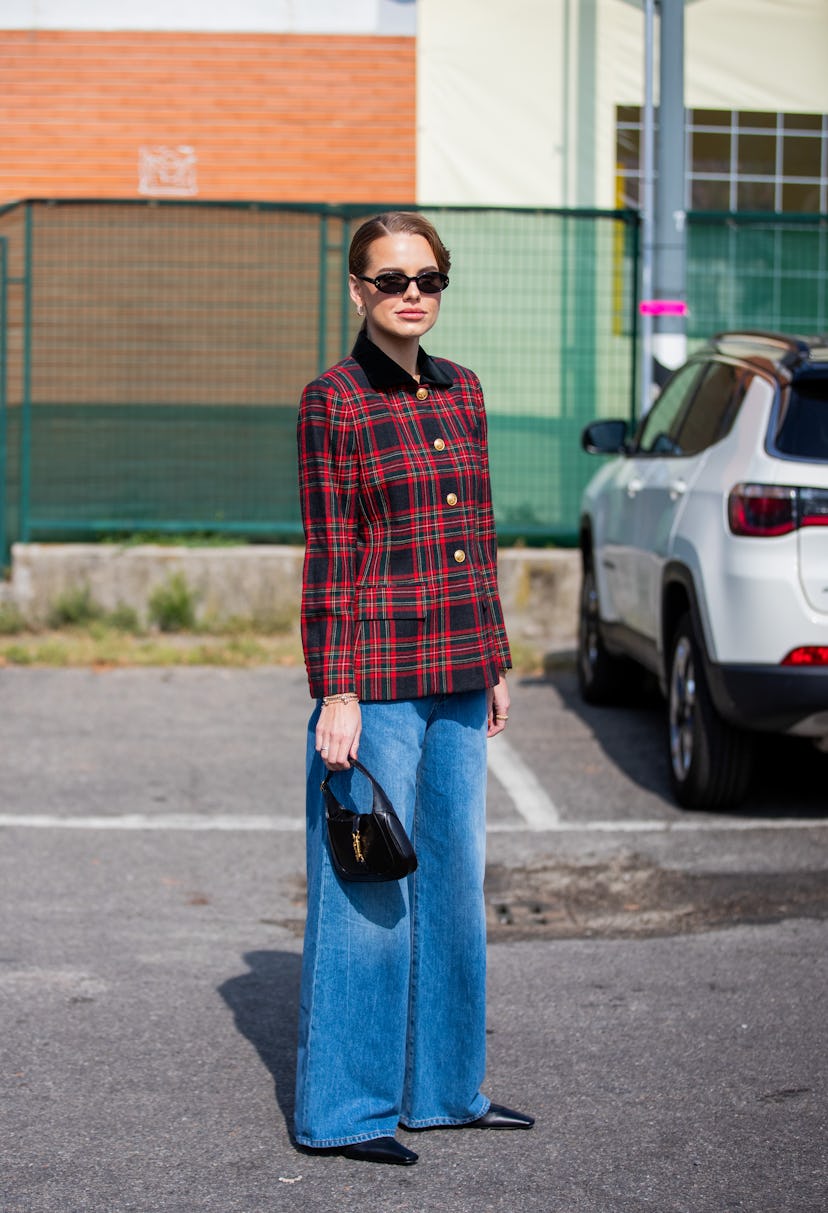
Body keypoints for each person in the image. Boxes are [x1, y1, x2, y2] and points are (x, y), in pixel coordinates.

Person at [294, 211, 534, 1166]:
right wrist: (337, 690)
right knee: (368, 891)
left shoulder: (464, 393)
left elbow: (476, 534)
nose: (412, 296)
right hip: (379, 684)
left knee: (454, 893)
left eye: (428, 279)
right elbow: (331, 554)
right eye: (391, 280)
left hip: (461, 673)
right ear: (357, 290)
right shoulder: (335, 401)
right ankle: (345, 1112)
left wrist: (499, 657)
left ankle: (444, 1091)